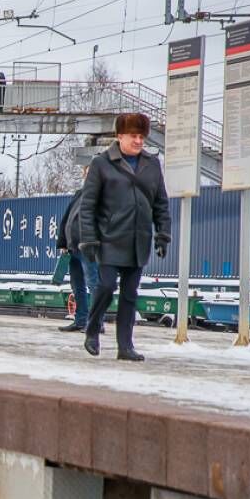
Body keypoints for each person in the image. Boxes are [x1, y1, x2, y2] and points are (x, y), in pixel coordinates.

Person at [79, 113, 171, 362]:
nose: (139, 141)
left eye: (142, 136)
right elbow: (87, 206)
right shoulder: (102, 164)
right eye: (133, 136)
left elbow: (161, 203)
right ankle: (92, 328)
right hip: (109, 238)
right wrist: (88, 239)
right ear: (119, 136)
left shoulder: (152, 164)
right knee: (106, 287)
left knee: (130, 296)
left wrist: (163, 233)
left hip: (138, 241)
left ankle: (125, 346)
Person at [55, 171, 99, 333]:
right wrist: (63, 242)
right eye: (86, 174)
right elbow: (66, 219)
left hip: (89, 248)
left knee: (94, 284)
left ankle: (96, 323)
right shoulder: (79, 194)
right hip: (73, 247)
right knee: (77, 286)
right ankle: (80, 320)